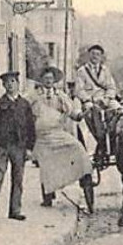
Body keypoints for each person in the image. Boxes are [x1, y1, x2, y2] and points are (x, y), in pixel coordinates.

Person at [31, 65, 96, 214]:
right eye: (45, 78)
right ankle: (47, 195)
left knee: (79, 149)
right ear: (41, 80)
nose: (48, 81)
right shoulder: (34, 96)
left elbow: (72, 112)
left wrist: (81, 114)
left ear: (54, 81)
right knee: (47, 164)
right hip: (42, 138)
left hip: (58, 133)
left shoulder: (60, 95)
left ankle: (85, 176)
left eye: (50, 79)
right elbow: (26, 114)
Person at [0, 71, 35, 221]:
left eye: (13, 81)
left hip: (19, 147)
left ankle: (15, 210)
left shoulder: (25, 105)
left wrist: (29, 148)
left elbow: (30, 127)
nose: (10, 84)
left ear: (18, 84)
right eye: (7, 82)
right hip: (2, 146)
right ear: (3, 85)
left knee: (18, 180)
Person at [74, 44, 120, 166]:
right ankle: (97, 141)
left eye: (98, 54)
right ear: (89, 55)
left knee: (119, 110)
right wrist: (89, 100)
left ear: (101, 57)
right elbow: (79, 90)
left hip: (105, 99)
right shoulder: (82, 71)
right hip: (90, 100)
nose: (95, 56)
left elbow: (111, 87)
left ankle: (114, 137)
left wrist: (107, 98)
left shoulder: (105, 70)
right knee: (90, 114)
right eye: (93, 54)